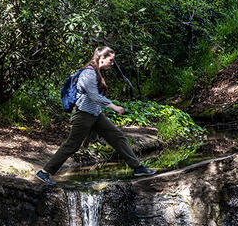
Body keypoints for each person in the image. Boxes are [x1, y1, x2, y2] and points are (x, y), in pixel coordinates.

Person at [36, 46, 155, 185]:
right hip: (83, 114)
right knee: (72, 145)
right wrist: (113, 106)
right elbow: (93, 96)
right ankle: (44, 173)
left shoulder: (97, 72)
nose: (112, 63)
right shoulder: (88, 73)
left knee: (117, 137)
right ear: (102, 58)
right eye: (111, 60)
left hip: (95, 114)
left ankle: (138, 168)